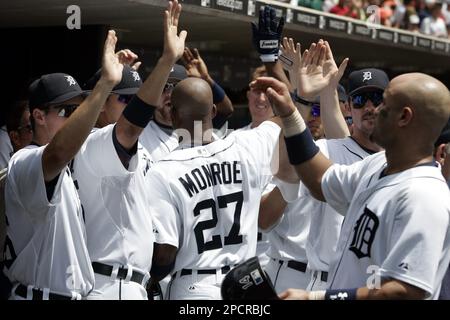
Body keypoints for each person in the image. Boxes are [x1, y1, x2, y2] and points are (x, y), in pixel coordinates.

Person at [251, 71, 450, 299]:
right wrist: (291, 113)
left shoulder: (425, 195)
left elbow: (405, 292)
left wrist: (316, 298)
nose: (374, 110)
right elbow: (319, 180)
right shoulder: (377, 164)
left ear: (404, 117)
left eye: (383, 102)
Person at [3, 30, 123, 300]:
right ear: (38, 116)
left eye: (77, 110)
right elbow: (57, 153)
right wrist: (105, 84)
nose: (74, 117)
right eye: (65, 111)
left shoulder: (65, 166)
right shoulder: (23, 161)